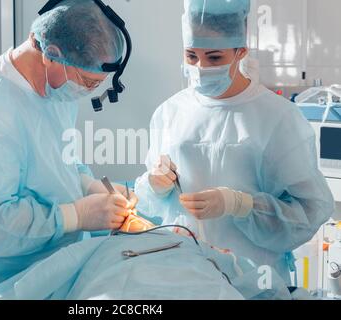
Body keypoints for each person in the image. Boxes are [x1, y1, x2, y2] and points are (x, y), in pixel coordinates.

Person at [0, 0, 136, 299]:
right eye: (87, 81)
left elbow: (58, 159)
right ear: (52, 54)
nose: (88, 91)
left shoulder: (56, 91)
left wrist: (89, 185)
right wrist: (74, 217)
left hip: (47, 268)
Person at [135, 0, 334, 283]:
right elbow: (153, 206)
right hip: (184, 272)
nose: (201, 67)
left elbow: (311, 210)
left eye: (214, 58)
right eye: (192, 56)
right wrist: (154, 185)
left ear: (241, 50)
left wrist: (239, 204)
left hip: (254, 277)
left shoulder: (278, 117)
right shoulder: (170, 112)